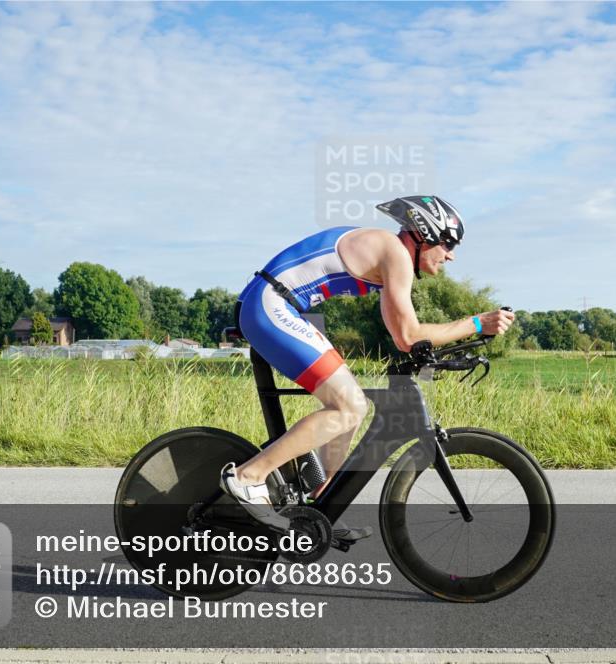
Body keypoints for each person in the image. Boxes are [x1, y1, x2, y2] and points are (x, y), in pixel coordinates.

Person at [220, 195, 515, 533]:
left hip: (273, 304)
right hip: (270, 306)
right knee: (350, 405)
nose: (451, 255)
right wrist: (477, 324)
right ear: (424, 234)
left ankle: (321, 503)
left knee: (349, 403)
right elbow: (408, 336)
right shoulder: (395, 253)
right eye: (448, 243)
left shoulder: (388, 255)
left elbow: (402, 337)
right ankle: (248, 476)